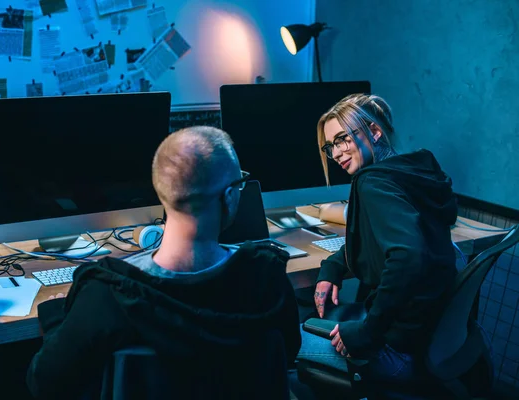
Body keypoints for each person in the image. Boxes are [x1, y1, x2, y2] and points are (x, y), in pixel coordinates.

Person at [24, 126, 301, 399]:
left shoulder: (105, 295)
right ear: (229, 196)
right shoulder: (267, 279)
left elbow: (46, 383)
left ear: (161, 191)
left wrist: (56, 319)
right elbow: (287, 354)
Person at [296, 94, 458, 387]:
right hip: (430, 342)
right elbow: (379, 243)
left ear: (374, 131)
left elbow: (408, 255)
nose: (336, 153)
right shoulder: (410, 171)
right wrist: (334, 266)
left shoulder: (373, 182)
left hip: (396, 352)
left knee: (282, 340)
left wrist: (366, 333)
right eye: (331, 145)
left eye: (343, 139)